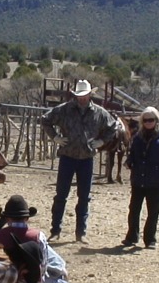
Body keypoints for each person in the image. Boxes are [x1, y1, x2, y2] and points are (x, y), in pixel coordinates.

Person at [42, 79, 117, 243]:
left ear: (90, 95)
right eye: (79, 95)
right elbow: (45, 119)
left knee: (84, 197)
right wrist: (54, 137)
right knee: (61, 195)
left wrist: (102, 141)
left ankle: (80, 233)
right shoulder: (64, 109)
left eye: (84, 95)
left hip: (86, 159)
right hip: (67, 157)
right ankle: (55, 230)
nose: (82, 98)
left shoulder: (99, 113)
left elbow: (113, 126)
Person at [122, 106, 159, 249]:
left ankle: (150, 239)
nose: (148, 122)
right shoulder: (137, 138)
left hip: (156, 181)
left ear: (156, 120)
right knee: (134, 210)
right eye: (145, 120)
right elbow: (133, 155)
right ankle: (131, 237)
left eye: (151, 120)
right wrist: (129, 162)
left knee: (153, 212)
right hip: (138, 180)